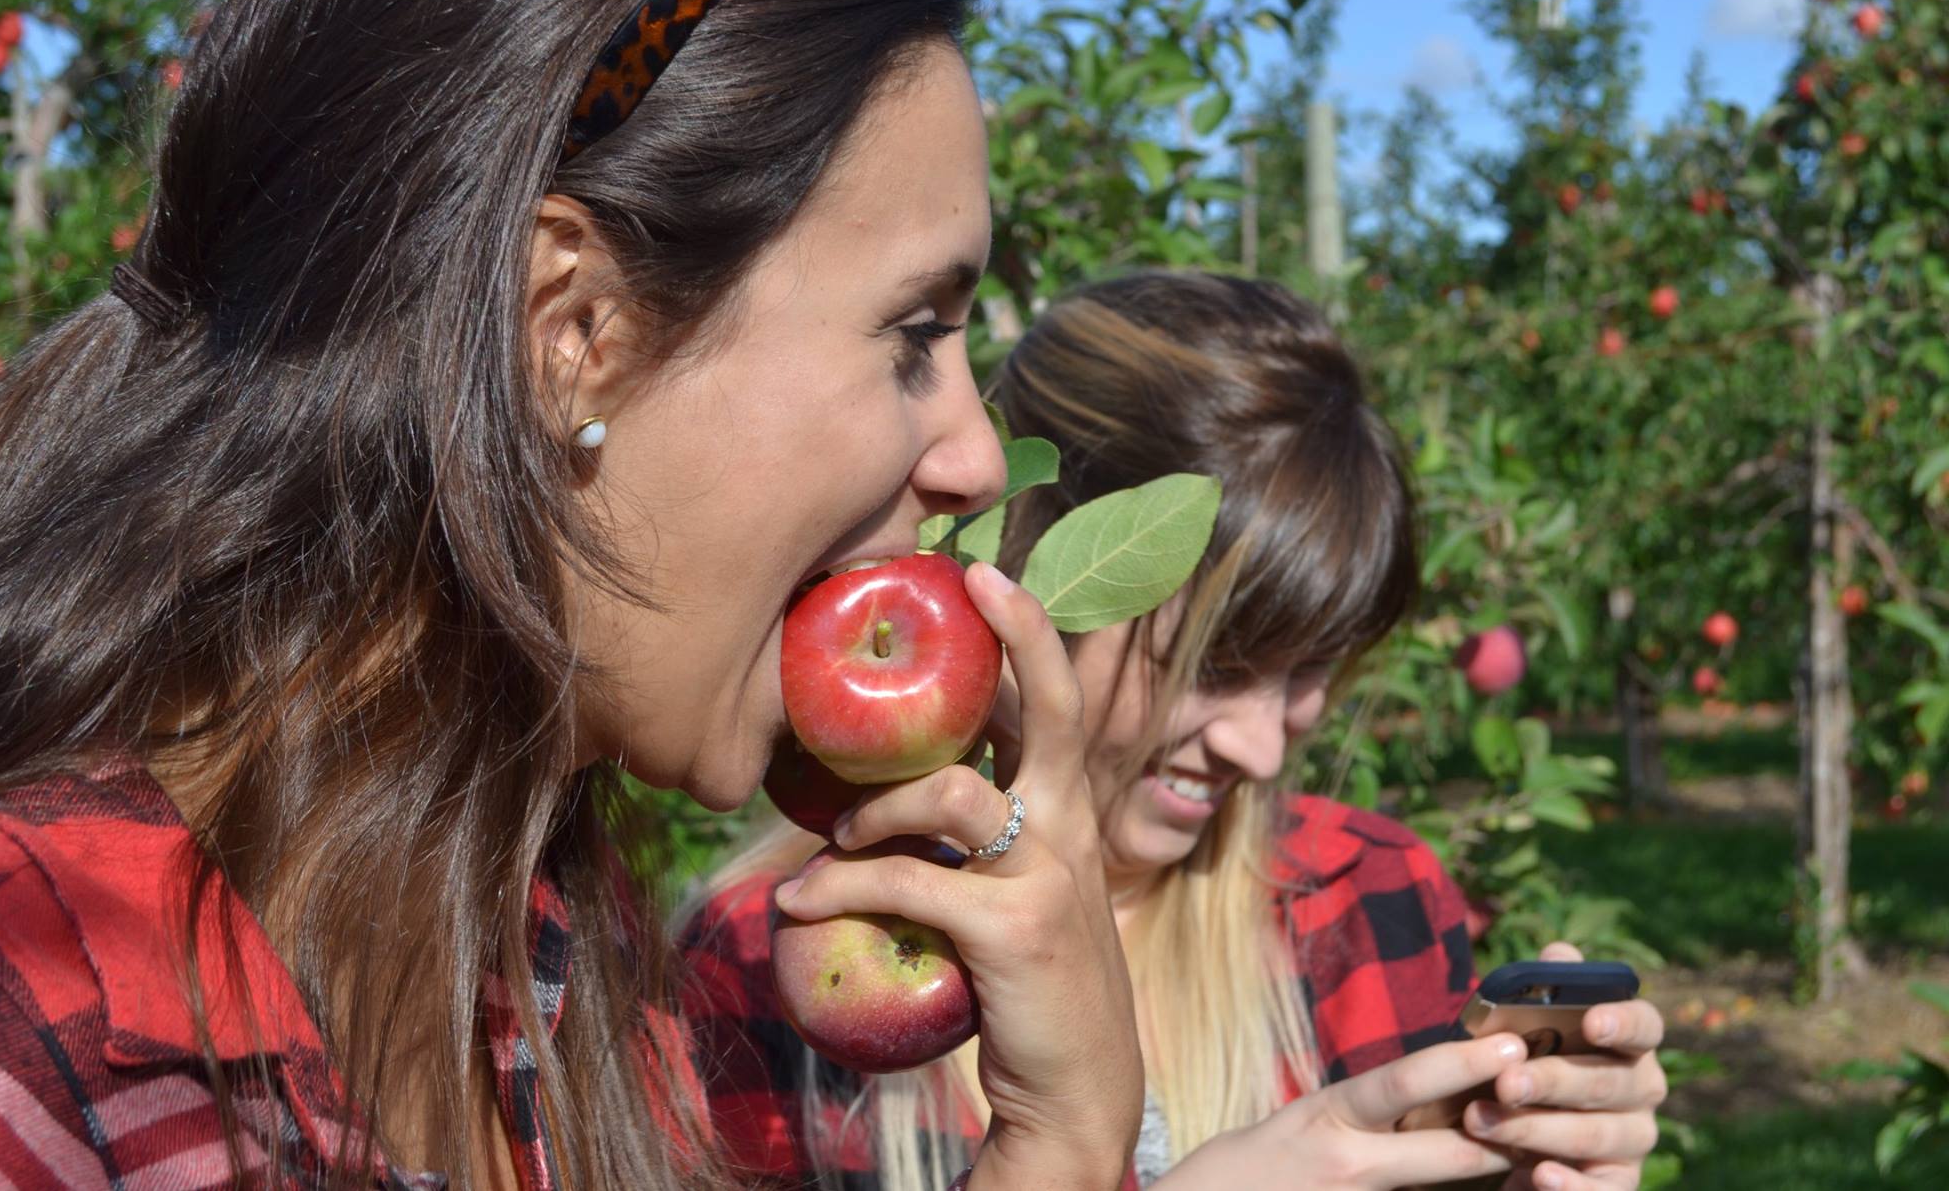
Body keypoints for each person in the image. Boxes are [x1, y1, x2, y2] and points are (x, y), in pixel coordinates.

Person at [0, 0, 1145, 1188]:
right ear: (571, 329)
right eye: (913, 332)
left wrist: (1060, 1137)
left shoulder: (554, 954)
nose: (975, 454)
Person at [682, 270, 1669, 1191]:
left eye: (1309, 672)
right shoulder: (774, 956)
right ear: (1036, 579)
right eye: (1210, 667)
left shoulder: (1364, 898)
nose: (1262, 749)